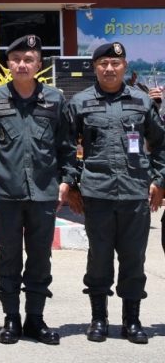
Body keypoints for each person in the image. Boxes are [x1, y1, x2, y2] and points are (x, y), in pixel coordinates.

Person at [0, 35, 72, 345]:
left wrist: (66, 181)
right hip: (7, 192)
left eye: (28, 60)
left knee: (40, 257)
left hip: (44, 192)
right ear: (8, 64)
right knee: (9, 256)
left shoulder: (55, 100)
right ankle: (11, 318)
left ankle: (36, 319)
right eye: (16, 59)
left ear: (39, 64)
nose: (22, 65)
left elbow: (66, 146)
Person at [64, 41, 165, 344]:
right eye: (103, 64)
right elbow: (66, 148)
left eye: (115, 63)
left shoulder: (142, 101)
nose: (109, 69)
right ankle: (98, 319)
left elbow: (161, 143)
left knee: (133, 259)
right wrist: (72, 185)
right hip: (97, 194)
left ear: (125, 66)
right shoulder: (79, 103)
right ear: (94, 67)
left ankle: (131, 321)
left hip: (135, 193)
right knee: (99, 258)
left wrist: (160, 181)